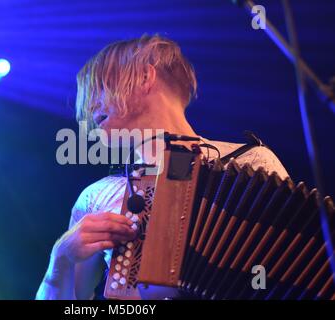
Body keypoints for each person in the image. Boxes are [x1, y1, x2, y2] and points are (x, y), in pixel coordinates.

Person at [36, 34, 289, 300]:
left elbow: (291, 272)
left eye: (99, 86)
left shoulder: (252, 162)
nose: (89, 106)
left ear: (145, 77)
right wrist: (60, 260)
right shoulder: (97, 197)